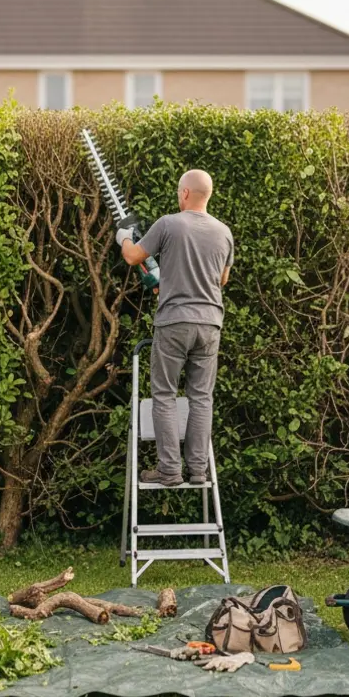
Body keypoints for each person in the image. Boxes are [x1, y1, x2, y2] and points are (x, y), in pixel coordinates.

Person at [116, 170, 233, 487]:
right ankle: (197, 470)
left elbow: (132, 257)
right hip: (209, 324)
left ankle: (169, 470)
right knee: (202, 397)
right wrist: (168, 277)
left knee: (165, 394)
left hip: (174, 321)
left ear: (184, 193)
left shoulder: (168, 224)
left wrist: (124, 236)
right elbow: (221, 280)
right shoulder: (224, 233)